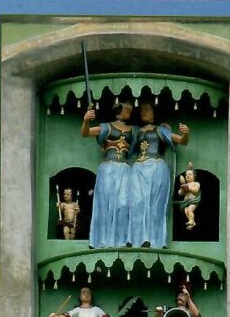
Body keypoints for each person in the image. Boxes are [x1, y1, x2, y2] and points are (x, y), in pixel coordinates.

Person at [128, 102, 189, 248]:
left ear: (154, 113)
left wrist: (186, 133)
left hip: (155, 167)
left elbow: (181, 140)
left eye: (147, 109)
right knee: (137, 203)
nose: (144, 112)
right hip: (138, 168)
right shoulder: (136, 132)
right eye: (142, 110)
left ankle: (154, 239)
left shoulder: (161, 130)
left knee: (155, 204)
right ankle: (135, 238)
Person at [81, 100, 135, 248]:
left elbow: (149, 133)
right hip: (108, 168)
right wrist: (86, 120)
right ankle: (103, 239)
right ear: (120, 110)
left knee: (123, 204)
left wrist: (164, 127)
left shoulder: (133, 129)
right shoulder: (106, 127)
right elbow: (86, 133)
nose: (130, 112)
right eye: (127, 110)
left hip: (125, 169)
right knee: (105, 203)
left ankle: (121, 239)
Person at [177, 163, 201, 230]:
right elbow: (180, 193)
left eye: (190, 174)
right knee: (186, 210)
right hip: (186, 202)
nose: (187, 176)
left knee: (190, 209)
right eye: (186, 175)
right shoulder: (185, 184)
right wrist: (182, 188)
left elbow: (196, 190)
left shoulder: (196, 183)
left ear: (194, 176)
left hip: (193, 201)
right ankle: (192, 222)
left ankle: (191, 221)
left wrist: (188, 188)